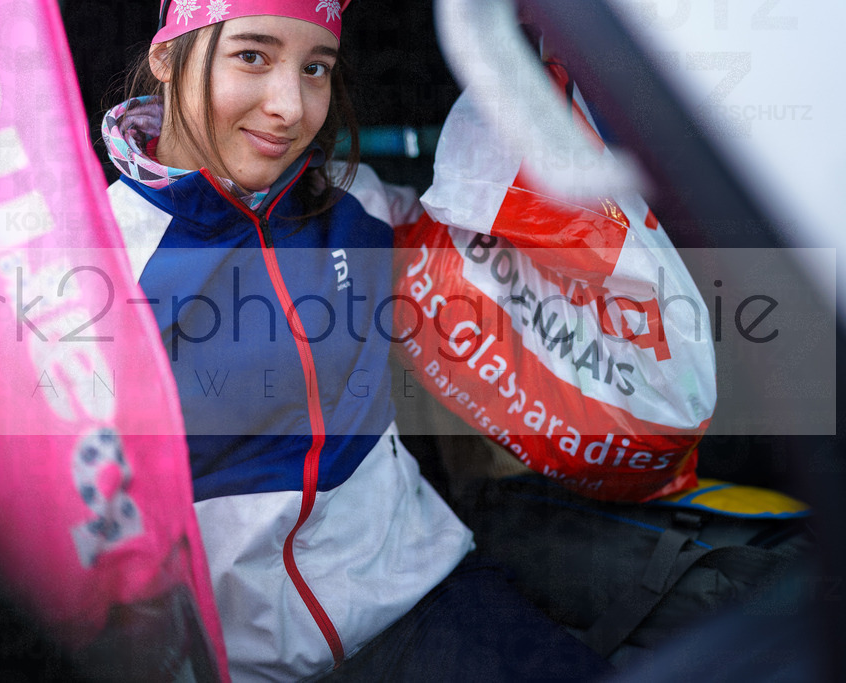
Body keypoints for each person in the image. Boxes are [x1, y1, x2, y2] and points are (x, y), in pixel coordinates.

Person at [102, 1, 612, 680]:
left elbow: (488, 249)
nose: (290, 106)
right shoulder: (94, 261)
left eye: (316, 68)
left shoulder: (356, 203)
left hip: (430, 596)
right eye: (253, 55)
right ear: (166, 57)